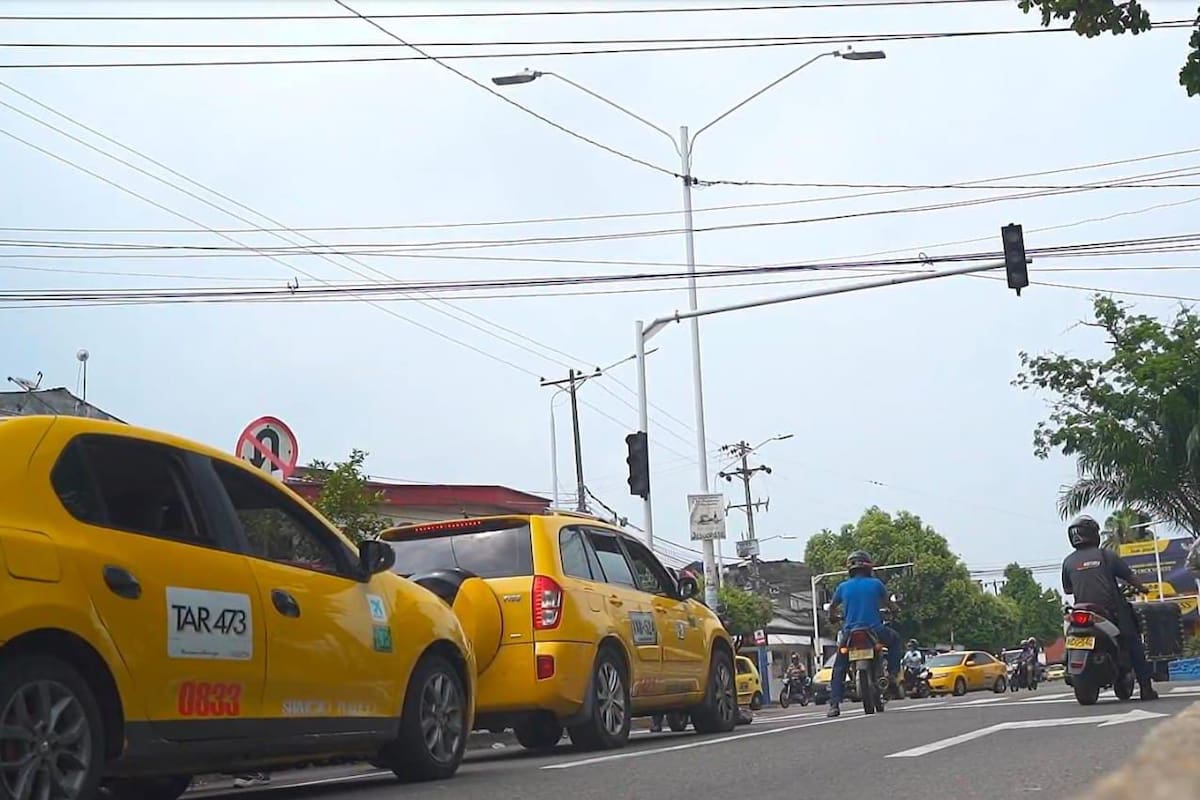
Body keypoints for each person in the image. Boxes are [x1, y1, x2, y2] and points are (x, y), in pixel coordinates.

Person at [1061, 514, 1158, 701]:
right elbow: (1130, 577)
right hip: (1111, 612)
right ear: (1093, 534)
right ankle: (1146, 688)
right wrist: (1144, 589)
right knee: (1133, 642)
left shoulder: (1068, 562)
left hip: (1081, 612)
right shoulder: (1106, 555)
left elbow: (1067, 589)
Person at [825, 550, 901, 717]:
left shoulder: (842, 587)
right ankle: (894, 676)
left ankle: (834, 705)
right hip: (875, 630)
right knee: (895, 640)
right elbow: (889, 604)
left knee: (839, 667)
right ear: (868, 567)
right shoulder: (876, 584)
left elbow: (832, 608)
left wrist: (833, 617)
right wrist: (894, 610)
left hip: (850, 633)